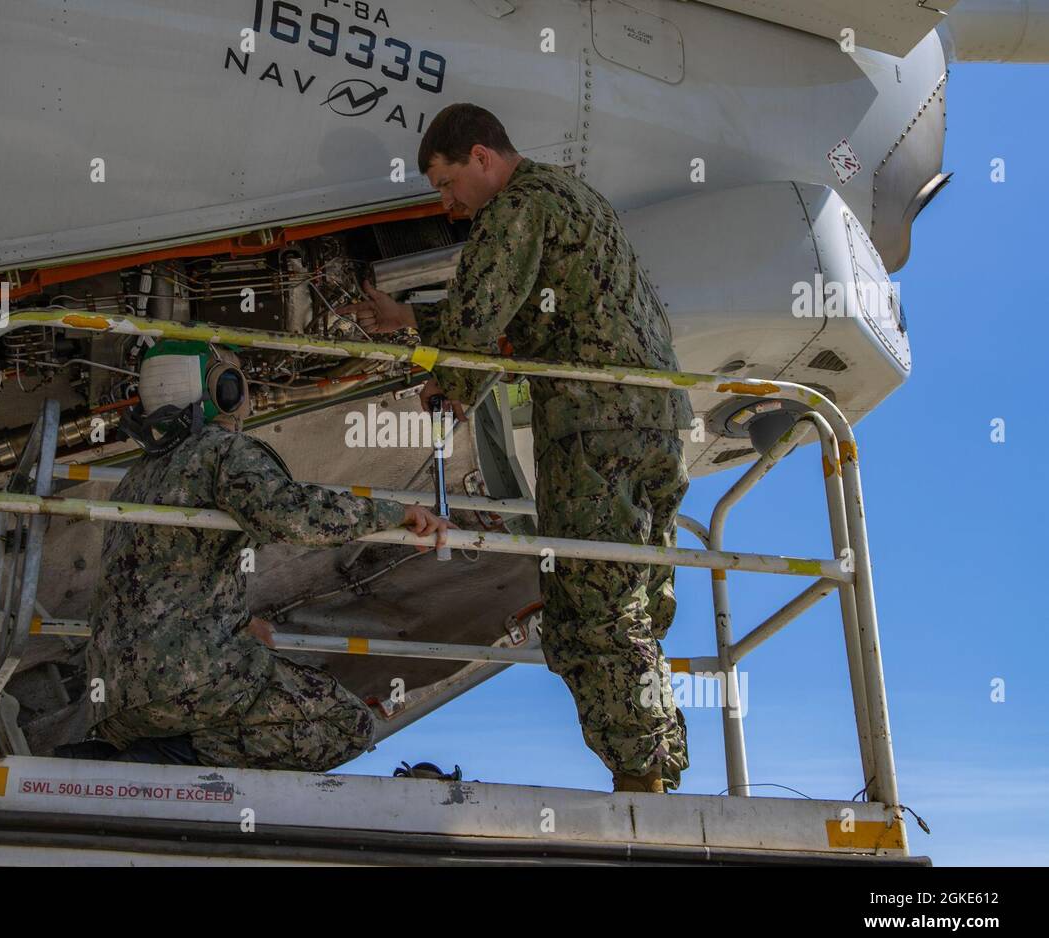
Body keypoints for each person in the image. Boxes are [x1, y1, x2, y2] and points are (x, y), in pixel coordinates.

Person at [341, 103, 694, 793]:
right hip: (657, 424)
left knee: (591, 608)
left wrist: (448, 388)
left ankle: (641, 787)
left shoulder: (516, 207)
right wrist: (411, 317)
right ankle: (657, 768)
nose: (448, 205)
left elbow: (480, 319)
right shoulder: (572, 197)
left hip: (595, 432)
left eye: (447, 185)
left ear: (482, 157)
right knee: (638, 603)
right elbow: (530, 311)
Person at [65, 340, 451, 769]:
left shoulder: (135, 478)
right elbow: (291, 516)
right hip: (184, 683)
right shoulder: (220, 451)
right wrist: (396, 515)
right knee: (348, 724)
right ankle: (169, 758)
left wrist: (239, 621)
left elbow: (167, 576)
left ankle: (155, 755)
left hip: (114, 702)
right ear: (224, 390)